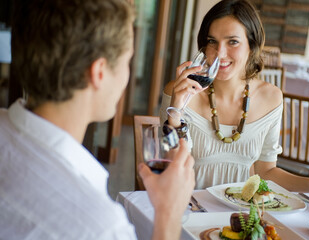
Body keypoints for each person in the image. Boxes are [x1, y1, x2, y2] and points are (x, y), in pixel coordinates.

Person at [0, 0, 195, 239]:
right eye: (127, 61)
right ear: (99, 73)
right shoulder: (101, 227)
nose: (127, 73)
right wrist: (168, 214)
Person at [160, 0, 309, 204]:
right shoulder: (181, 92)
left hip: (243, 217)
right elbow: (169, 163)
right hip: (188, 210)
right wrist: (175, 113)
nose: (220, 53)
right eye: (212, 41)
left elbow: (267, 171)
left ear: (252, 45)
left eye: (233, 42)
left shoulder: (271, 98)